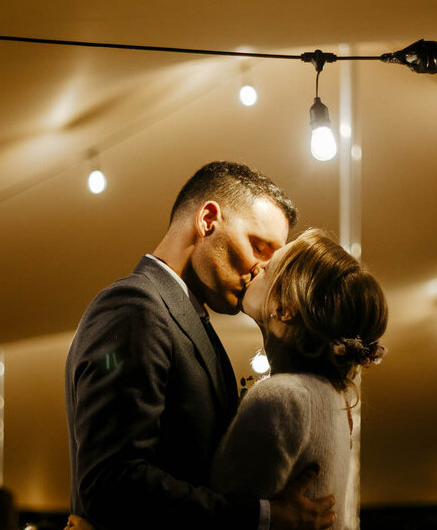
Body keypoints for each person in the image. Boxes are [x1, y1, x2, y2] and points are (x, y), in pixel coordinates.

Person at [65, 161, 336, 529]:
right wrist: (264, 516)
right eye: (258, 247)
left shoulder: (187, 319)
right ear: (208, 219)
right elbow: (112, 483)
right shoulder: (134, 306)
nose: (262, 271)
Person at [210, 228, 389, 530]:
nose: (256, 266)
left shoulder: (280, 399)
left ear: (286, 308)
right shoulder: (333, 401)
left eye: (267, 270)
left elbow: (220, 512)